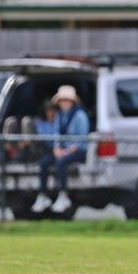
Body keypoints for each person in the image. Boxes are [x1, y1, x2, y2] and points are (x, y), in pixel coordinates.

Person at [31, 85, 90, 214]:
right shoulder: (60, 116)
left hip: (78, 151)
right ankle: (42, 195)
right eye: (62, 100)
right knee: (44, 162)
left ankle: (63, 195)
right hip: (63, 150)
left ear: (72, 101)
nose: (64, 103)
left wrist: (67, 152)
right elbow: (57, 135)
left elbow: (82, 139)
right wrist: (56, 149)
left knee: (61, 162)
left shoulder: (80, 116)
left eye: (66, 100)